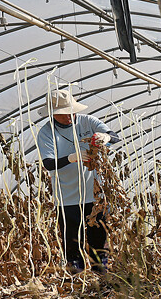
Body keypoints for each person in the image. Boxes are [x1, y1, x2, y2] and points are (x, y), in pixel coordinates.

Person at [36, 89, 121, 272]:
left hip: (94, 195)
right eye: (63, 114)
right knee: (72, 241)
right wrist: (71, 158)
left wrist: (105, 137)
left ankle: (101, 275)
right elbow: (49, 163)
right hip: (67, 197)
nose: (68, 117)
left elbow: (114, 136)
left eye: (71, 112)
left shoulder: (87, 121)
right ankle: (76, 278)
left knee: (98, 238)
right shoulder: (46, 133)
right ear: (53, 114)